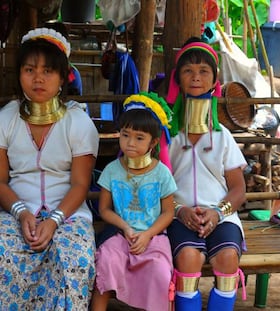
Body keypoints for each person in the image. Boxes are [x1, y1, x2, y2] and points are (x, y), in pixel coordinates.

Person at [0, 27, 99, 309]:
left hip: (67, 213)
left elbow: (80, 184)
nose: (38, 78)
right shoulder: (6, 119)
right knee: (3, 252)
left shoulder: (77, 123)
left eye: (48, 71)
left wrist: (54, 220)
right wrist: (20, 213)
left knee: (73, 260)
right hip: (15, 210)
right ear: (19, 74)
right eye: (29, 69)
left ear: (62, 77)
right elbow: (0, 181)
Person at [166, 38, 247, 311]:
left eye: (203, 71)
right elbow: (155, 184)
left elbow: (238, 189)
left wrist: (218, 212)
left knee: (227, 258)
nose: (196, 77)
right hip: (178, 215)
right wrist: (179, 211)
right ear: (178, 79)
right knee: (188, 257)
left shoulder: (223, 137)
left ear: (215, 80)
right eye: (188, 70)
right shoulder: (167, 135)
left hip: (221, 216)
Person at [91, 92, 177, 311]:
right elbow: (104, 209)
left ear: (153, 142)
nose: (130, 143)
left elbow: (168, 212)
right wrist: (126, 228)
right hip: (119, 235)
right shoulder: (112, 170)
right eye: (125, 134)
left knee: (159, 271)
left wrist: (147, 234)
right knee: (105, 263)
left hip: (154, 238)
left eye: (139, 138)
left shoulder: (161, 173)